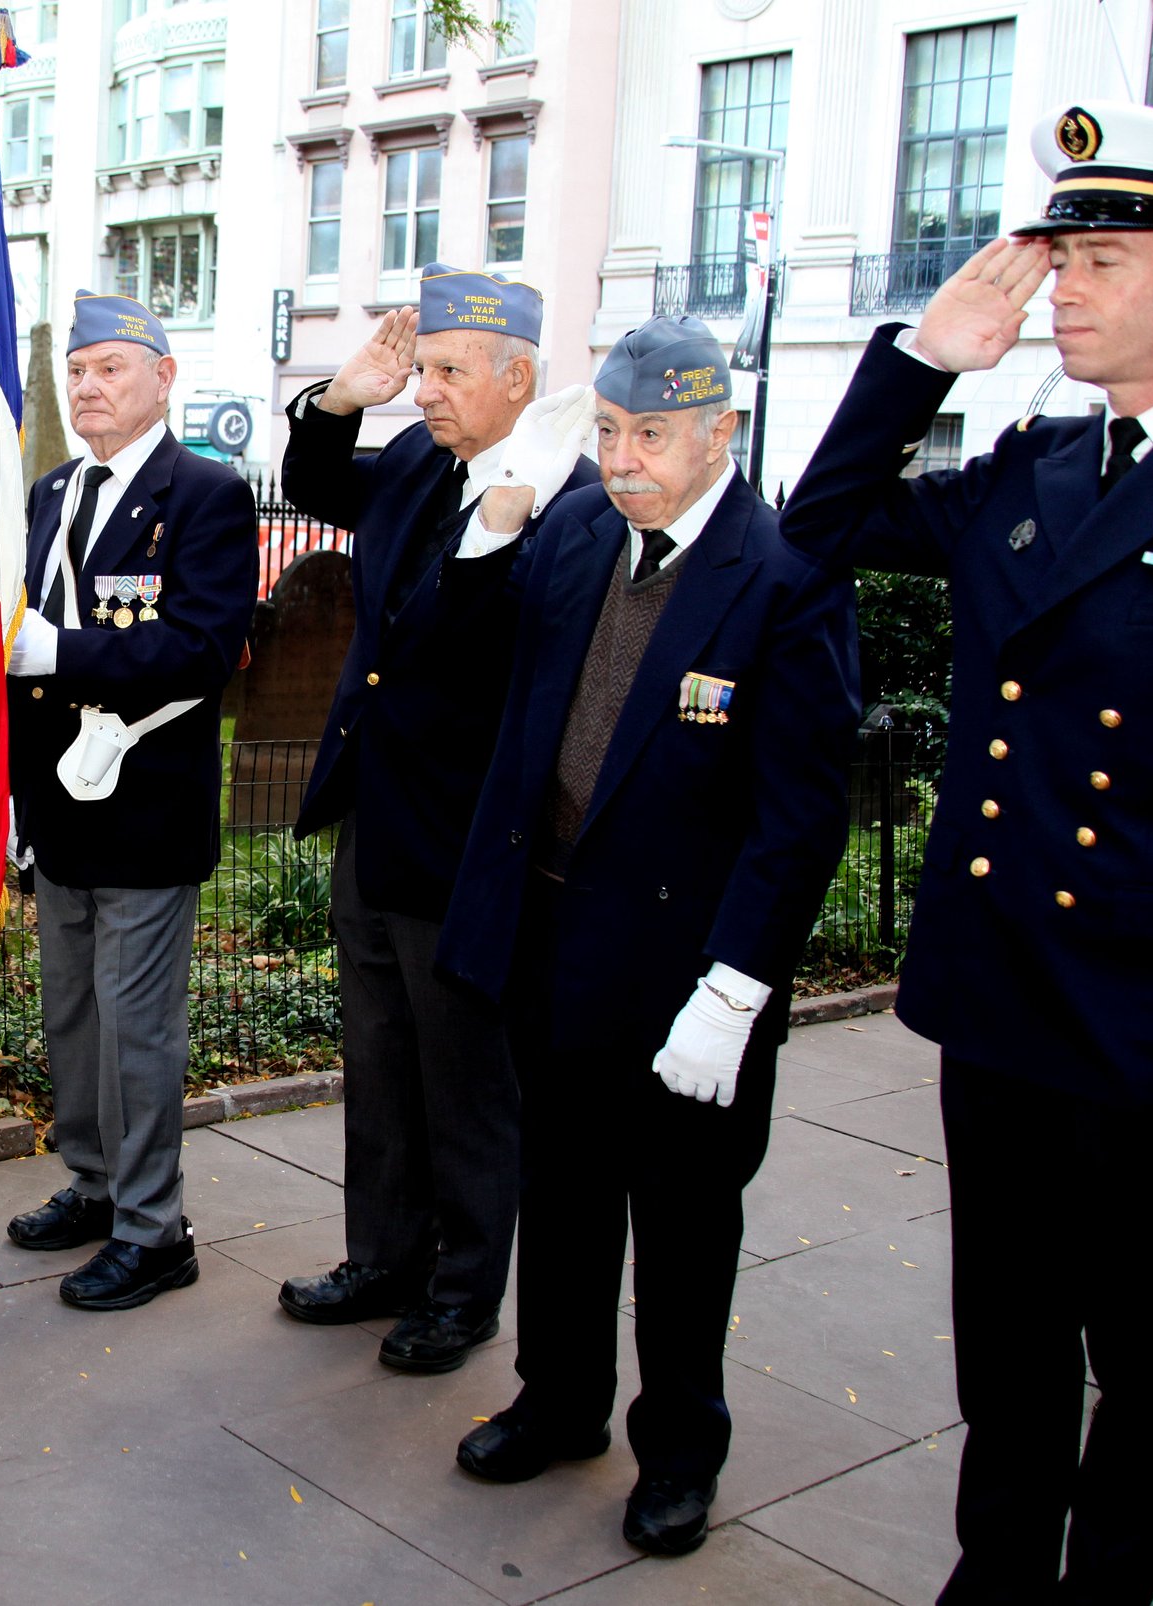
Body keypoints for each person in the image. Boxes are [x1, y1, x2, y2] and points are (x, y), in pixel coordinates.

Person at [779, 101, 1153, 1601]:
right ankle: (995, 1578)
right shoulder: (1030, 467)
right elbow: (818, 531)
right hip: (997, 986)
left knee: (1137, 1352)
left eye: (1102, 259)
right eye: (1059, 258)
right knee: (1005, 1334)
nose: (1061, 287)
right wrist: (921, 361)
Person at [442, 314, 858, 1555]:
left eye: (653, 435)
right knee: (561, 1194)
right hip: (556, 936)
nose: (625, 460)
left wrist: (737, 990)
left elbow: (797, 819)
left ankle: (679, 1448)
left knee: (682, 1224)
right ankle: (558, 1403)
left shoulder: (781, 575)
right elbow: (480, 666)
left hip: (687, 975)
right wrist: (491, 520)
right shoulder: (575, 532)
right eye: (611, 432)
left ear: (719, 431)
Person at [274, 267, 598, 1373]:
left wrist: (498, 530)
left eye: (449, 373)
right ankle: (383, 1256)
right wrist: (341, 398)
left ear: (520, 378)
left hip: (467, 835)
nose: (429, 393)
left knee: (464, 1076)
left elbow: (496, 647)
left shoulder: (571, 497)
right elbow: (316, 485)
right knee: (378, 1053)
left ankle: (461, 1291)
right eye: (423, 370)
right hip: (376, 809)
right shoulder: (419, 456)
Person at [1, 291, 258, 1311]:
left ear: (162, 379)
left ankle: (156, 1230)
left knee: (135, 1029)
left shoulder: (204, 494)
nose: (89, 386)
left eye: (111, 367)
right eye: (79, 370)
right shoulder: (54, 491)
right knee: (71, 1013)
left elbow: (203, 645)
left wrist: (62, 650)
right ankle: (97, 1182)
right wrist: (15, 792)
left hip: (145, 805)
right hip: (62, 802)